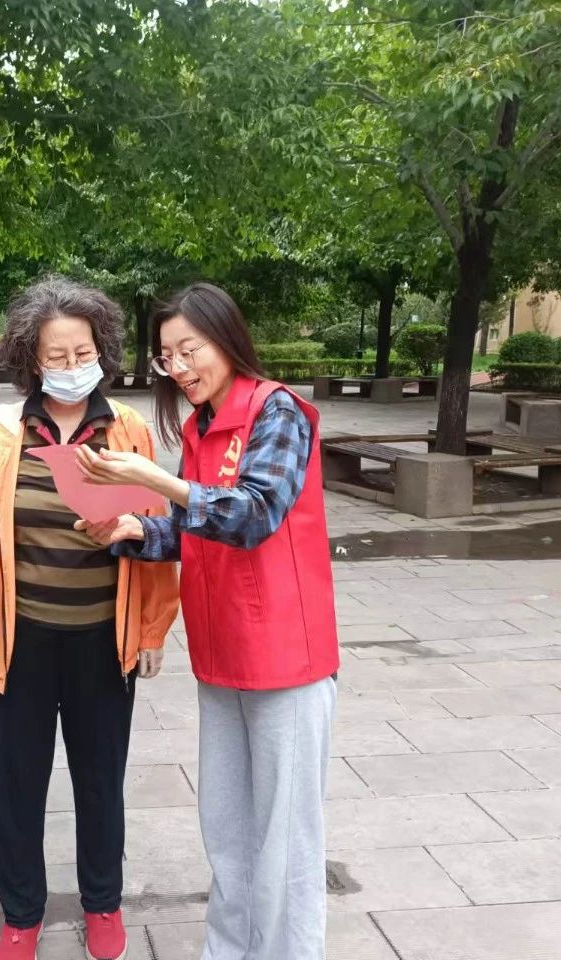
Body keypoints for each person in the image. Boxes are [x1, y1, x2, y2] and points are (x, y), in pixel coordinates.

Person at [75, 282, 339, 960]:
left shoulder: (276, 410)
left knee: (285, 835)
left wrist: (154, 480)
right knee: (226, 826)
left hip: (285, 656)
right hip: (221, 652)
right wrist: (135, 528)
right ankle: (228, 949)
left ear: (226, 338)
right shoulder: (199, 427)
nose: (180, 368)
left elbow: (253, 513)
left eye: (190, 349)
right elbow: (198, 527)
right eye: (167, 357)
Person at [0, 276, 179, 960]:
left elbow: (154, 531)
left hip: (104, 641)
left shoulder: (126, 429)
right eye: (57, 356)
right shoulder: (2, 432)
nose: (72, 367)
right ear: (31, 359)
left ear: (102, 350)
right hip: (20, 642)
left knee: (101, 781)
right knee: (18, 783)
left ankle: (103, 903)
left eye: (83, 354)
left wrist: (153, 630)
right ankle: (21, 914)